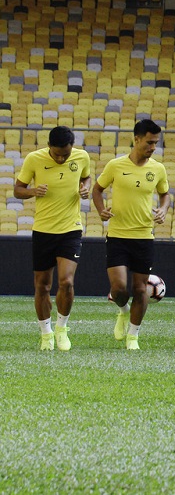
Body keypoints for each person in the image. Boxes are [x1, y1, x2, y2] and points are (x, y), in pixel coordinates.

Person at [91, 119, 171, 350]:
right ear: (136, 139)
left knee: (140, 288)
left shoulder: (158, 168)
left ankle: (133, 336)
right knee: (118, 289)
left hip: (144, 236)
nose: (153, 147)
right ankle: (123, 311)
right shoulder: (115, 165)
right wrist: (100, 210)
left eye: (156, 143)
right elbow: (97, 189)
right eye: (149, 142)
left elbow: (165, 194)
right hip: (117, 235)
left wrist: (163, 209)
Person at [14, 126, 92, 351]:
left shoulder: (82, 156)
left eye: (65, 154)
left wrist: (84, 189)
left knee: (66, 281)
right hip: (43, 230)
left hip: (71, 229)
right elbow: (18, 190)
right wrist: (33, 191)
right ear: (49, 146)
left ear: (71, 148)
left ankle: (61, 328)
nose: (61, 158)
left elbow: (86, 178)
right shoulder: (34, 159)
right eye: (57, 154)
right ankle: (46, 333)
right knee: (42, 285)